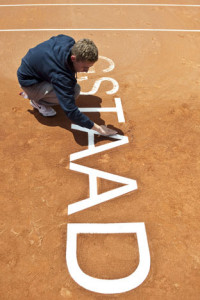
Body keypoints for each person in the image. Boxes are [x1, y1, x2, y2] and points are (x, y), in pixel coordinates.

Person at [17, 34, 117, 136]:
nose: (87, 71)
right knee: (74, 92)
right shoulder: (61, 76)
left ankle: (38, 92)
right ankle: (36, 101)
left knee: (71, 87)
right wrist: (99, 129)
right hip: (30, 82)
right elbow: (71, 111)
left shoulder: (67, 40)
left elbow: (53, 40)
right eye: (85, 67)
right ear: (73, 58)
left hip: (35, 70)